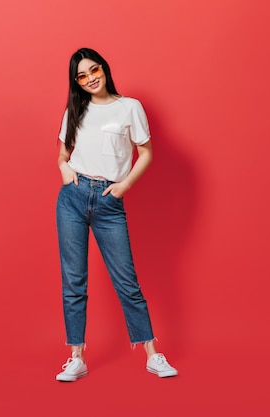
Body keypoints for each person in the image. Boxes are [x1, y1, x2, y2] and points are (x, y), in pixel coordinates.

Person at [55, 48, 178, 382]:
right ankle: (76, 357)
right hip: (73, 199)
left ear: (104, 69)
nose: (91, 78)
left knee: (127, 281)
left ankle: (152, 354)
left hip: (110, 200)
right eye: (82, 75)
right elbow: (63, 153)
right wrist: (65, 169)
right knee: (74, 280)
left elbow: (146, 153)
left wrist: (124, 186)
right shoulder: (75, 110)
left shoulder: (129, 107)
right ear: (76, 82)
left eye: (94, 70)